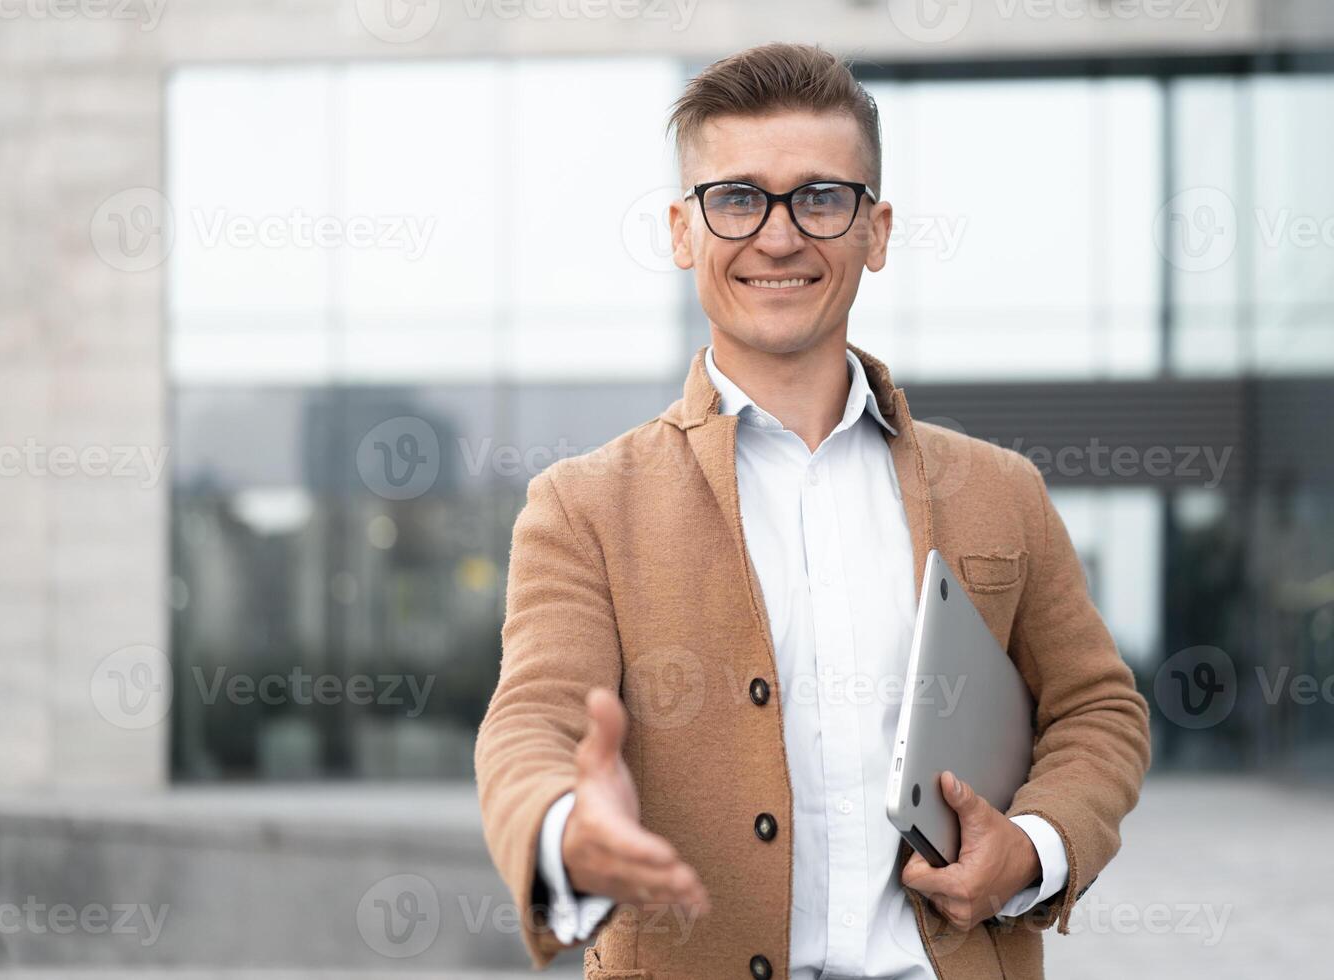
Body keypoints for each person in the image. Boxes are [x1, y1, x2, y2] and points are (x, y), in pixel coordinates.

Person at [475, 42, 1150, 980]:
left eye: (821, 198)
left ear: (875, 231)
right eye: (738, 197)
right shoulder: (583, 507)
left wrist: (1034, 847)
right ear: (683, 231)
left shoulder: (1003, 490)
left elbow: (1099, 709)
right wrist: (562, 828)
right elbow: (532, 721)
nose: (779, 236)